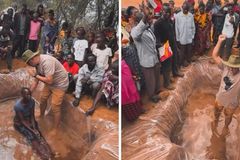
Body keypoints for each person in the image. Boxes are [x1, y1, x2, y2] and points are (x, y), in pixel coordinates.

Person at [22, 49, 69, 136]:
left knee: (55, 106)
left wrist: (35, 75)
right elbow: (36, 81)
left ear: (31, 60)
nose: (29, 65)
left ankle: (56, 129)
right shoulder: (36, 64)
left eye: (28, 63)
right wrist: (29, 93)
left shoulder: (47, 62)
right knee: (42, 99)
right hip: (50, 82)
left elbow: (49, 81)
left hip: (59, 84)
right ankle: (41, 116)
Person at [131, 1, 161, 103]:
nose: (150, 20)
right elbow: (136, 34)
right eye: (147, 20)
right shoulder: (135, 31)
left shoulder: (148, 29)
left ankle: (157, 92)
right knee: (150, 80)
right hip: (146, 61)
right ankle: (152, 96)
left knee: (156, 77)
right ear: (140, 22)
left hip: (154, 58)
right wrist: (144, 17)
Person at [14, 87, 53, 159]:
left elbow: (32, 115)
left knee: (39, 134)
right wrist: (32, 130)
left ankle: (50, 153)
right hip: (20, 124)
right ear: (22, 95)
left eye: (29, 94)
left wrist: (34, 128)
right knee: (31, 137)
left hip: (29, 119)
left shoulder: (32, 101)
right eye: (26, 95)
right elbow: (22, 121)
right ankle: (44, 156)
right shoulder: (17, 106)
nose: (29, 96)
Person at [212, 34, 240, 134]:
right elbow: (215, 55)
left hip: (233, 102)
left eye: (235, 67)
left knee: (228, 116)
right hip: (220, 97)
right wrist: (219, 41)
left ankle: (226, 127)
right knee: (216, 113)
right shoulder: (225, 67)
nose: (232, 69)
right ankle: (215, 122)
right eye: (231, 66)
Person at [175, 2, 195, 67]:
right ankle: (181, 63)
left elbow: (193, 27)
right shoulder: (178, 16)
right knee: (182, 51)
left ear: (188, 9)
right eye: (184, 9)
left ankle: (188, 60)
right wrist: (177, 39)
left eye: (187, 9)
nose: (185, 10)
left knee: (189, 50)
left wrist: (192, 36)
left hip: (189, 37)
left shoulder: (191, 16)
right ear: (182, 8)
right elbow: (176, 28)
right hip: (182, 37)